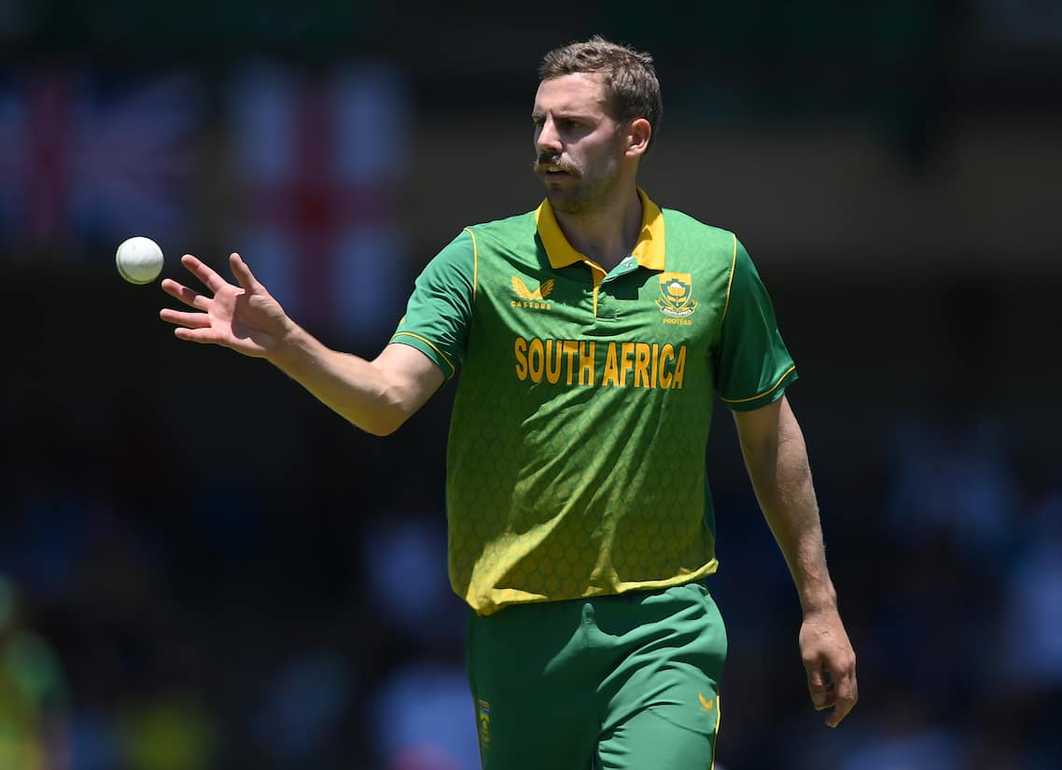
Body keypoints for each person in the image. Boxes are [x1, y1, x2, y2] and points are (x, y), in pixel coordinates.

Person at [160, 36, 857, 770]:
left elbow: (769, 434)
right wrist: (289, 344)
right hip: (516, 637)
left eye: (572, 126)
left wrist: (820, 605)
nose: (547, 143)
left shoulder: (714, 265)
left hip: (663, 624)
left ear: (635, 136)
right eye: (539, 124)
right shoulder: (477, 263)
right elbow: (385, 399)